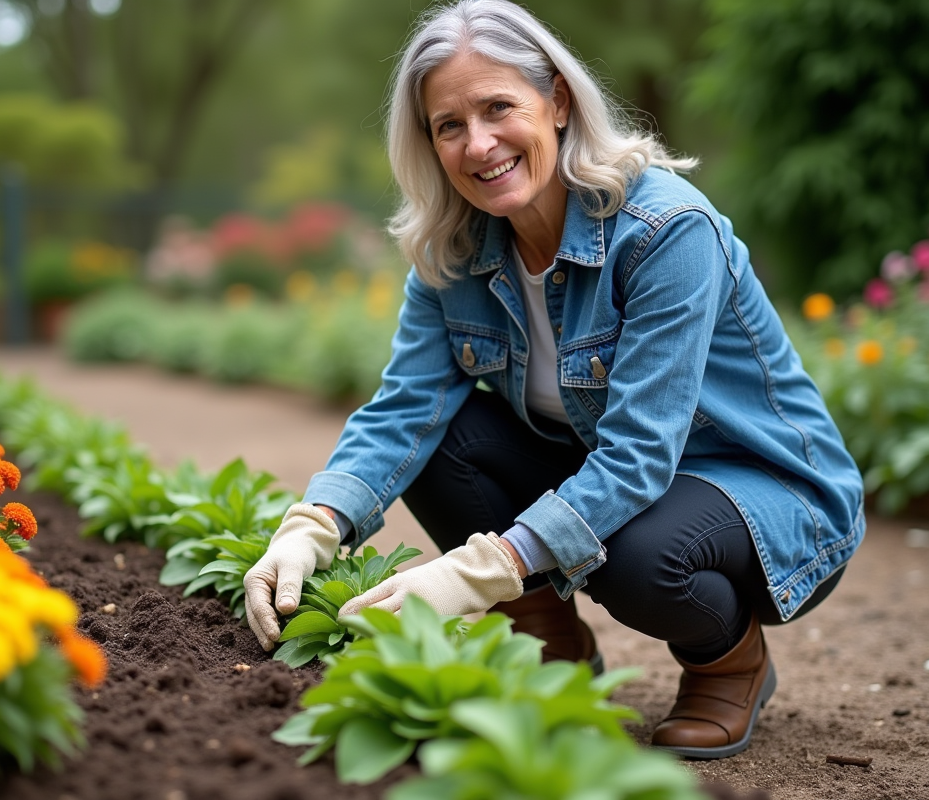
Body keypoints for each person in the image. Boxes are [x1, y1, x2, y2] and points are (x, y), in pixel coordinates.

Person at [243, 0, 864, 760]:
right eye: (448, 125)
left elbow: (638, 457)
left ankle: (727, 660)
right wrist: (313, 526)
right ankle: (552, 649)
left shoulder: (665, 231)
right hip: (623, 475)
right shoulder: (455, 253)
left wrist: (483, 570)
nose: (479, 143)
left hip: (761, 487)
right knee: (439, 443)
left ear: (559, 102)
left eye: (498, 107)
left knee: (633, 556)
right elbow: (403, 410)